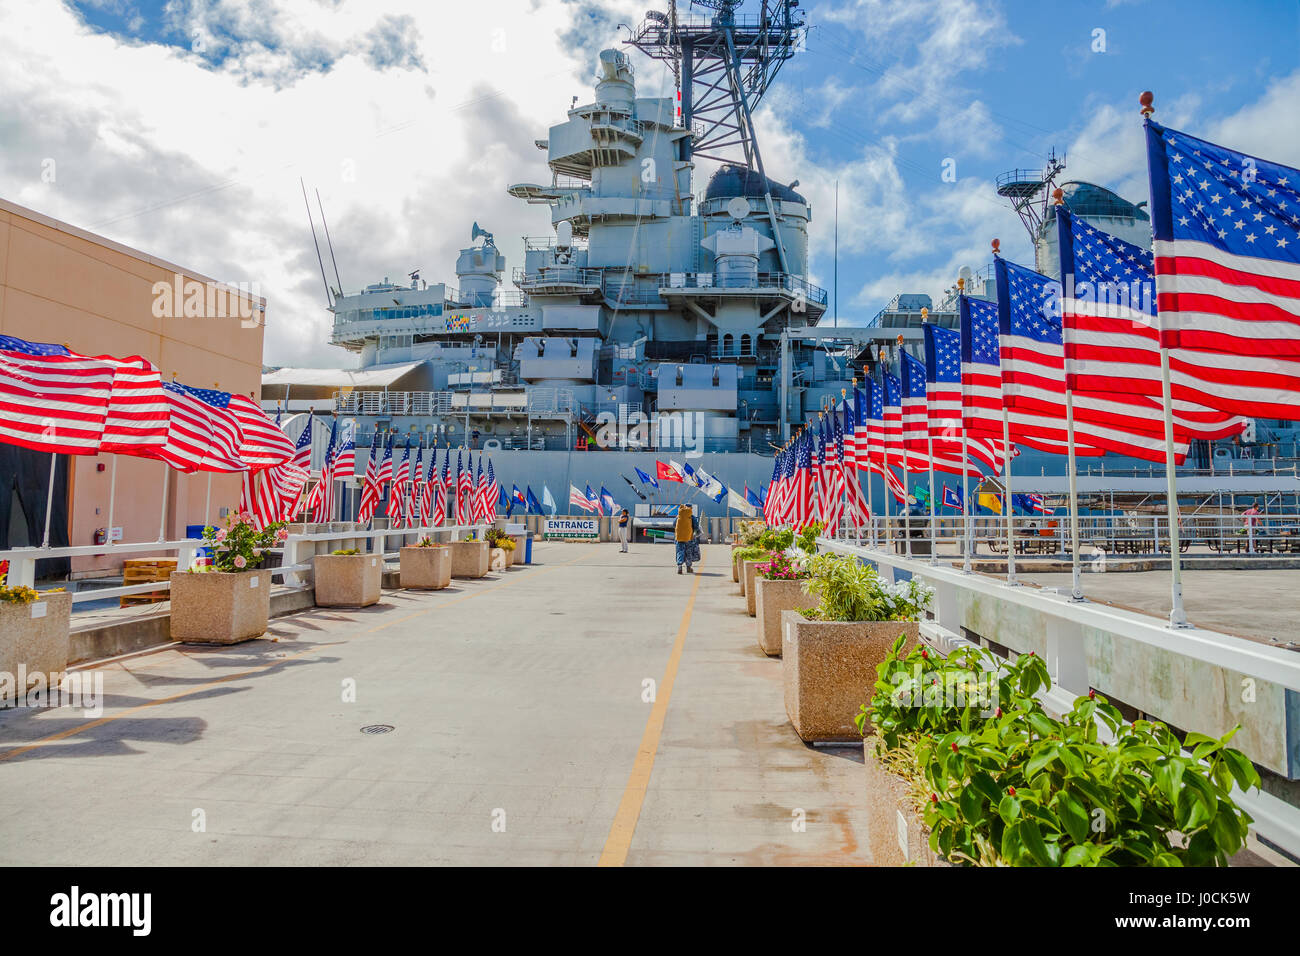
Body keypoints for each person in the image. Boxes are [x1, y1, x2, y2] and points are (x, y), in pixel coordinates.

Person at [674, 504, 700, 574]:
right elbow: (696, 527)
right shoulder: (692, 517)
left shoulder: (679, 516)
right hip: (689, 537)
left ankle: (679, 566)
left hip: (679, 537)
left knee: (680, 551)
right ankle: (688, 568)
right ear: (691, 508)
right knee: (688, 552)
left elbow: (674, 524)